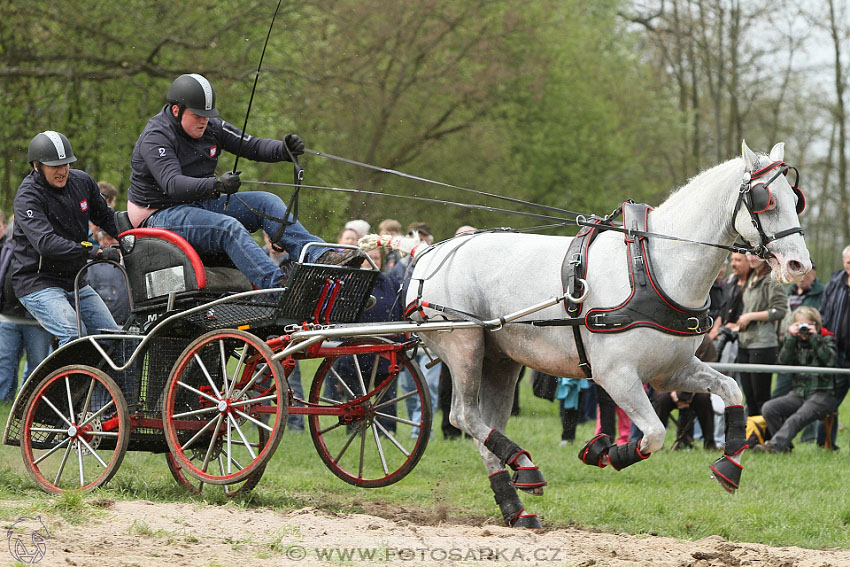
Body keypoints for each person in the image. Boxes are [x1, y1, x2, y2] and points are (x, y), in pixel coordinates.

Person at [127, 73, 360, 291]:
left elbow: (253, 146)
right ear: (177, 110)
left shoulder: (212, 127)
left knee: (266, 202)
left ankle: (320, 256)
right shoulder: (156, 135)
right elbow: (173, 184)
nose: (203, 122)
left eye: (207, 117)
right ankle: (276, 286)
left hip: (198, 204)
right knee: (227, 227)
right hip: (158, 216)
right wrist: (216, 186)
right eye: (197, 116)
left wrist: (283, 149)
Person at [12, 131, 120, 347]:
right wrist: (93, 251)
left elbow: (108, 218)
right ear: (36, 166)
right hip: (37, 282)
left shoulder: (82, 182)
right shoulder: (27, 197)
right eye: (54, 166)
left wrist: (134, 236)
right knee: (73, 335)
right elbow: (46, 243)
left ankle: (110, 382)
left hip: (75, 280)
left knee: (115, 338)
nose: (62, 171)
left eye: (66, 164)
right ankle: (63, 381)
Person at [758, 307, 838, 453]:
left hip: (822, 394)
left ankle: (774, 447)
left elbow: (831, 361)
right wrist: (790, 338)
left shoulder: (827, 338)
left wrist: (814, 338)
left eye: (807, 325)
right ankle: (785, 448)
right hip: (798, 393)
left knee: (797, 417)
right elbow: (782, 363)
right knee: (769, 408)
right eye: (800, 325)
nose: (803, 329)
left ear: (816, 324)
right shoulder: (793, 341)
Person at [0, 213, 52, 401]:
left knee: (37, 365)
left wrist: (46, 312)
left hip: (36, 320)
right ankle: (4, 403)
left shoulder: (46, 249)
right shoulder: (7, 246)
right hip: (7, 316)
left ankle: (27, 404)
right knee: (5, 362)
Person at [734, 254, 788, 417]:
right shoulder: (750, 278)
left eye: (756, 254)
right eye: (749, 254)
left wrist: (750, 316)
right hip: (744, 343)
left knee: (761, 398)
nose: (751, 257)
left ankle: (767, 437)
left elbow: (780, 310)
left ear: (766, 257)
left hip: (763, 345)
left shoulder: (772, 279)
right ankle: (753, 438)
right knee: (749, 397)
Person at [773, 264, 825, 398]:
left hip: (810, 352)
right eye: (798, 273)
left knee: (809, 398)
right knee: (779, 395)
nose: (801, 277)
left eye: (805, 273)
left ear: (814, 275)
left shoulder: (824, 294)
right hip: (788, 348)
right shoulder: (787, 293)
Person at [818, 245, 850, 448]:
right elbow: (823, 313)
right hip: (837, 352)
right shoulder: (835, 283)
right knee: (831, 399)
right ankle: (825, 443)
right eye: (849, 262)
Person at [86, 230, 131, 326]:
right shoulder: (91, 268)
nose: (115, 241)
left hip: (133, 326)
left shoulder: (133, 263)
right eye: (109, 238)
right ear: (101, 241)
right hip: (105, 329)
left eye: (117, 238)